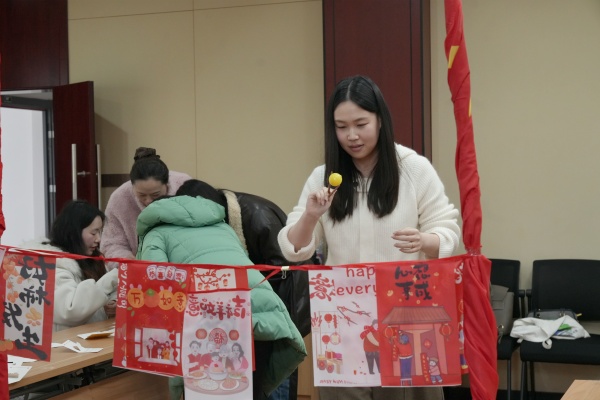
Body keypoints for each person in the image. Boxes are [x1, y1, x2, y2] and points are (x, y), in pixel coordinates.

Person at [277, 75, 460, 400]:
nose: (352, 135)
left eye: (361, 124)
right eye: (341, 126)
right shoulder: (323, 176)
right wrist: (310, 216)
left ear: (380, 120)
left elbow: (448, 230)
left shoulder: (414, 168)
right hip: (343, 315)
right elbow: (294, 248)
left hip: (406, 311)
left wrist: (425, 240)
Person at [136, 194, 307, 400]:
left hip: (208, 324)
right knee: (251, 392)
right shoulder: (222, 227)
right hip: (258, 314)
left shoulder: (155, 234)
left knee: (207, 391)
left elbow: (157, 288)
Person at [176, 179, 314, 400]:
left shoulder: (258, 217)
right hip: (240, 318)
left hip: (279, 309)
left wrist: (253, 304)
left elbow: (285, 272)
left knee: (274, 381)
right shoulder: (210, 223)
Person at [22, 200, 119, 332]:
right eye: (93, 233)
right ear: (74, 232)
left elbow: (109, 291)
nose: (98, 239)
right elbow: (71, 310)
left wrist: (113, 303)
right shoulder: (52, 265)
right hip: (65, 342)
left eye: (100, 232)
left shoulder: (93, 258)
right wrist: (110, 279)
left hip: (94, 336)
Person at [100, 147, 192, 263]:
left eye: (155, 194)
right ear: (132, 186)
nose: (148, 201)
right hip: (140, 266)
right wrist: (125, 260)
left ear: (167, 184)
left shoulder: (184, 186)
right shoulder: (120, 199)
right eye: (142, 195)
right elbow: (111, 244)